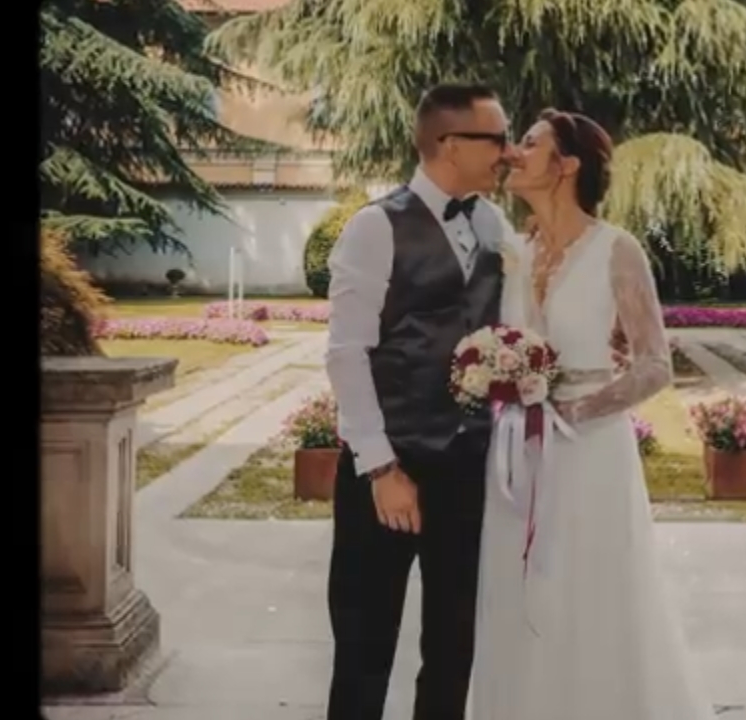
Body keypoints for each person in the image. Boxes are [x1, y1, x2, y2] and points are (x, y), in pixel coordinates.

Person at [468, 109, 716, 719]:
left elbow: (654, 364)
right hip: (515, 457)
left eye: (531, 143)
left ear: (568, 165)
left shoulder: (616, 250)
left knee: (592, 595)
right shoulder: (511, 251)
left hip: (592, 452)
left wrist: (572, 411)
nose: (513, 152)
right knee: (517, 593)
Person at [324, 83, 517, 720]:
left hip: (468, 469)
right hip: (389, 467)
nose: (507, 152)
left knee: (454, 648)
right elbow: (346, 353)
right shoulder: (374, 226)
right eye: (496, 138)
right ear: (449, 143)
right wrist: (381, 468)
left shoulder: (492, 224)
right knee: (364, 649)